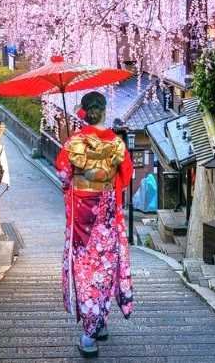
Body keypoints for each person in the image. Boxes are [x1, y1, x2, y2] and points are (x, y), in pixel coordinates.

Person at [55, 91, 134, 357]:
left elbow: (64, 175)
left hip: (82, 211)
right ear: (104, 110)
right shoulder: (117, 143)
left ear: (84, 111)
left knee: (86, 268)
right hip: (107, 211)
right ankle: (99, 322)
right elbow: (126, 175)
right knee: (106, 264)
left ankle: (89, 335)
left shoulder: (74, 142)